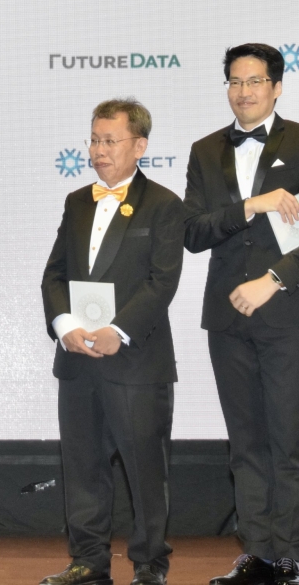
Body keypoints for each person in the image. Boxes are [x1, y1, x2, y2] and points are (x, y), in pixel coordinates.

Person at [40, 99, 184, 585]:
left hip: (137, 362)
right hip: (78, 359)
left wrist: (117, 331)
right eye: (94, 140)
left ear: (139, 146)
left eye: (110, 141)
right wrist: (65, 327)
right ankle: (88, 560)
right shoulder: (76, 201)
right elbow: (54, 274)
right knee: (82, 466)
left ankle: (149, 565)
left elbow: (162, 283)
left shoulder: (164, 204)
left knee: (145, 472)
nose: (98, 151)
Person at [184, 43, 299, 585]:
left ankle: (293, 554)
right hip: (228, 319)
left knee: (289, 438)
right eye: (234, 81)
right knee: (246, 441)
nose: (244, 91)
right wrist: (250, 205)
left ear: (277, 86)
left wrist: (273, 280)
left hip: (287, 313)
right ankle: (259, 553)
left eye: (255, 81)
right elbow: (193, 232)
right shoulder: (205, 150)